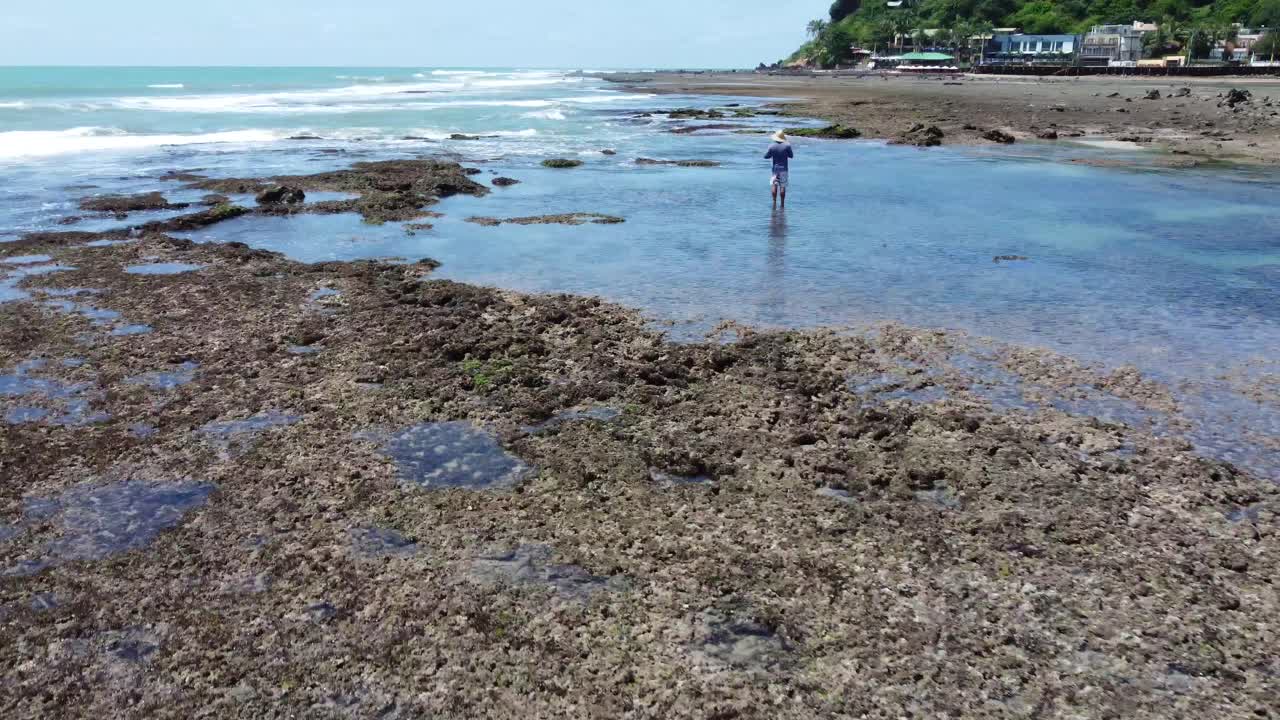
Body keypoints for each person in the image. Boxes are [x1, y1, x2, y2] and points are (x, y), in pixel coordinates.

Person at [764, 131, 794, 208]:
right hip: (784, 169)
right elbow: (791, 156)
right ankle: (782, 204)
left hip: (775, 169)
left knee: (774, 185)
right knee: (783, 186)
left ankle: (774, 202)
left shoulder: (771, 146)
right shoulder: (787, 146)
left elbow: (766, 156)